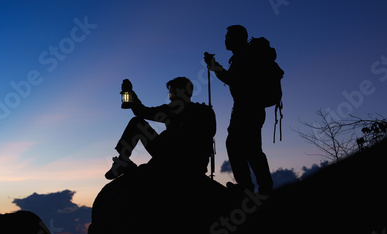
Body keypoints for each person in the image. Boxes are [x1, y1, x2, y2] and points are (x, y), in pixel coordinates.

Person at [205, 25, 273, 194]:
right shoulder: (243, 55)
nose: (225, 40)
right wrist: (215, 66)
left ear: (237, 38)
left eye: (228, 37)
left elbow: (233, 80)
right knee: (250, 147)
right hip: (251, 107)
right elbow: (234, 79)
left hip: (247, 107)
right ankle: (258, 187)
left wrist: (214, 66)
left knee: (239, 145)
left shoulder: (245, 56)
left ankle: (249, 187)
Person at [105, 77, 216, 180]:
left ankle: (123, 160)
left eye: (171, 94)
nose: (170, 98)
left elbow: (142, 112)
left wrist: (130, 93)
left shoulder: (172, 110)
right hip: (195, 163)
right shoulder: (205, 110)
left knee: (136, 123)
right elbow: (211, 133)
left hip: (171, 158)